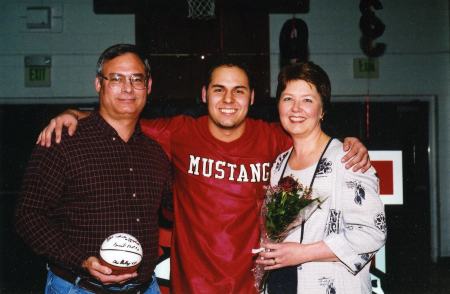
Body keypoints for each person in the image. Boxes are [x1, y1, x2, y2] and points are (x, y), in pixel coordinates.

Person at [36, 60, 371, 293]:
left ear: (252, 98)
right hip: (190, 287)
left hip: (253, 287)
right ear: (204, 94)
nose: (228, 99)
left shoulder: (274, 139)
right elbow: (120, 117)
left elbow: (315, 139)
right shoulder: (180, 132)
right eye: (219, 89)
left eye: (239, 90)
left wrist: (351, 144)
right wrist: (75, 113)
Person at [15, 44, 172, 294]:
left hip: (145, 288)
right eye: (116, 78)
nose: (128, 88)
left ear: (148, 86)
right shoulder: (62, 141)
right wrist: (81, 260)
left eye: (136, 79)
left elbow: (182, 207)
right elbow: (29, 216)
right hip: (79, 288)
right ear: (99, 84)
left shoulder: (155, 153)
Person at [256, 61, 386, 293]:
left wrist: (303, 253)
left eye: (307, 100)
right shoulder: (280, 163)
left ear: (322, 109)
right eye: (288, 99)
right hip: (282, 283)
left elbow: (372, 233)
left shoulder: (348, 159)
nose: (296, 108)